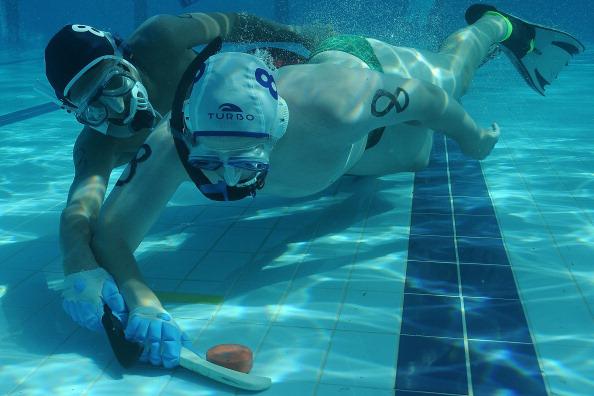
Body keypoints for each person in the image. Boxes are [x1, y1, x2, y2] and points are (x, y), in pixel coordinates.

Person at [89, 4, 584, 368]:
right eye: (208, 163)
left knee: (454, 79)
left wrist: (474, 140)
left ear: (278, 125)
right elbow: (111, 232)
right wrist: (142, 298)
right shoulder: (175, 136)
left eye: (242, 165)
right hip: (347, 159)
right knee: (415, 158)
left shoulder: (338, 105)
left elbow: (430, 100)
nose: (225, 181)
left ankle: (495, 26)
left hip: (361, 69)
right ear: (186, 131)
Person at [42, 12, 331, 337]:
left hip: (250, 90)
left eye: (113, 84)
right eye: (94, 109)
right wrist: (78, 266)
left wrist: (296, 33)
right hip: (230, 163)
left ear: (125, 58)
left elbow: (231, 23)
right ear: (78, 115)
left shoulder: (160, 39)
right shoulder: (97, 144)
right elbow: (79, 211)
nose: (118, 110)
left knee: (327, 88)